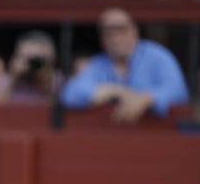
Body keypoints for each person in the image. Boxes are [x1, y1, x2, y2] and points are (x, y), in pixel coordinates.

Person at [59, 7, 189, 123]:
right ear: (102, 39)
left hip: (159, 136)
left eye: (121, 29)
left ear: (134, 31)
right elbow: (70, 94)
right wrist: (116, 91)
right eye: (109, 32)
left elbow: (178, 90)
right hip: (111, 138)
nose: (115, 38)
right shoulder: (98, 64)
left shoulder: (158, 56)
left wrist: (147, 99)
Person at [6, 30, 61, 103]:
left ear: (52, 58)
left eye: (37, 60)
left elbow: (59, 107)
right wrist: (14, 77)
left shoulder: (59, 79)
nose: (31, 64)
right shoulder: (9, 79)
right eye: (26, 57)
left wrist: (45, 78)